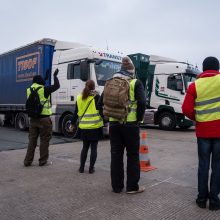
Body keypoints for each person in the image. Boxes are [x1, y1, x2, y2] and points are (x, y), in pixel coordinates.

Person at [98, 56, 146, 194]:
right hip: (130, 125)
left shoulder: (109, 82)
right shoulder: (135, 82)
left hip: (114, 125)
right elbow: (142, 102)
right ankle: (132, 187)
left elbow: (99, 104)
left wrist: (107, 118)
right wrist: (138, 119)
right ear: (132, 70)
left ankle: (117, 187)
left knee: (116, 155)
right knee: (132, 156)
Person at [182, 57, 220, 211]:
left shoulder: (194, 85)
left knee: (203, 165)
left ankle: (202, 199)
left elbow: (186, 109)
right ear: (217, 68)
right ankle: (215, 202)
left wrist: (197, 118)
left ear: (203, 69)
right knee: (217, 166)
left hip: (203, 132)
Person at [24, 69, 60, 167]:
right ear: (41, 82)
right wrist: (55, 76)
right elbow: (57, 86)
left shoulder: (29, 90)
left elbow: (38, 86)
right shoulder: (45, 89)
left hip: (33, 119)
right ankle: (43, 161)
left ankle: (27, 161)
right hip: (44, 119)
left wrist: (44, 78)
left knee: (32, 141)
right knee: (44, 140)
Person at [72, 80, 103, 174]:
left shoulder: (79, 97)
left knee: (85, 147)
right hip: (95, 127)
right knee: (94, 148)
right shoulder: (97, 97)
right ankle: (91, 168)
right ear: (94, 87)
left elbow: (76, 112)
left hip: (84, 127)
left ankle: (81, 168)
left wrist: (72, 124)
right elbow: (101, 112)